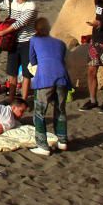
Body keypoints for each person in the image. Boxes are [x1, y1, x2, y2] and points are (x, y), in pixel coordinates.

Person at [28, 19, 71, 156]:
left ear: (36, 30)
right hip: (62, 77)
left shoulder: (34, 40)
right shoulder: (60, 43)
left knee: (40, 112)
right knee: (60, 109)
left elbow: (33, 60)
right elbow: (61, 60)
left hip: (45, 78)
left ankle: (42, 145)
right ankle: (62, 140)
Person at [0, 0, 38, 102]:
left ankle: (23, 100)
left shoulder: (31, 5)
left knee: (27, 74)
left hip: (27, 42)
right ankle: (11, 99)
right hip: (13, 42)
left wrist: (1, 33)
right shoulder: (10, 2)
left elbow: (20, 23)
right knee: (12, 73)